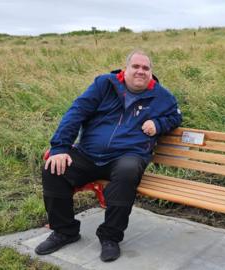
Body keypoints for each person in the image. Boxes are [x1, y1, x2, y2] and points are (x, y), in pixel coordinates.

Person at [35, 50, 182, 262]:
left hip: (128, 155)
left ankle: (110, 237)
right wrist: (60, 147)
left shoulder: (162, 97)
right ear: (126, 69)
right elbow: (76, 112)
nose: (140, 71)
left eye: (146, 68)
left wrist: (159, 124)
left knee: (128, 172)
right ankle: (64, 231)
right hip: (88, 153)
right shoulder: (104, 84)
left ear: (151, 72)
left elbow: (176, 117)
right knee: (54, 169)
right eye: (136, 67)